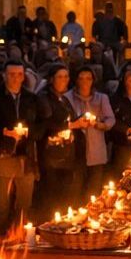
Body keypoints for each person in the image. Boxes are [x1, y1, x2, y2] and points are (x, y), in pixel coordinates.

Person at [0, 61, 42, 233]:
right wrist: (4, 132)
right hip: (2, 157)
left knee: (24, 205)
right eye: (12, 74)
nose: (16, 78)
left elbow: (41, 125)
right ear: (4, 75)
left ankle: (19, 238)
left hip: (26, 158)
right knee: (1, 205)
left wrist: (29, 132)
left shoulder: (31, 98)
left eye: (19, 74)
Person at [37, 64, 86, 214]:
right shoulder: (44, 98)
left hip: (68, 154)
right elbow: (47, 123)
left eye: (66, 77)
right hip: (51, 155)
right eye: (59, 77)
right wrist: (73, 125)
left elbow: (71, 119)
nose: (63, 80)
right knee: (52, 196)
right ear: (52, 79)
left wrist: (83, 120)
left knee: (67, 195)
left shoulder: (64, 99)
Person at [66, 65, 115, 197]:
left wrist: (98, 124)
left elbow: (111, 119)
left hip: (96, 150)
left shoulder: (101, 98)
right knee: (75, 189)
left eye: (88, 78)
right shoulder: (68, 98)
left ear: (93, 80)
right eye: (81, 78)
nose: (85, 82)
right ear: (76, 80)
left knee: (94, 189)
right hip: (76, 151)